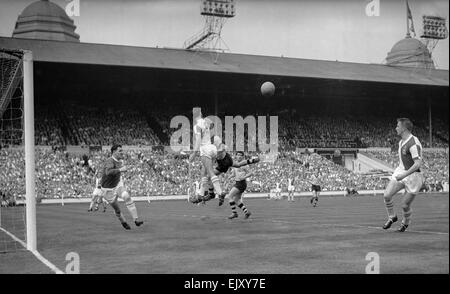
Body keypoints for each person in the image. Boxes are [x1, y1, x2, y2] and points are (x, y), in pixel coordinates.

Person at [382, 118, 424, 233]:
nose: (396, 128)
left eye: (397, 126)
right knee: (386, 195)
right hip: (401, 171)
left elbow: (417, 165)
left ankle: (405, 223)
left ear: (404, 128)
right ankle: (392, 217)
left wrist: (404, 174)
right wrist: (400, 173)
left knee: (405, 205)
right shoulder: (401, 141)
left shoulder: (413, 143)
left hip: (414, 176)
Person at [99, 144, 144, 230]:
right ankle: (123, 222)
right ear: (113, 152)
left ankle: (136, 220)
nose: (122, 152)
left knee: (126, 196)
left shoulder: (120, 161)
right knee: (117, 210)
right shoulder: (110, 160)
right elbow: (108, 172)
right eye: (120, 151)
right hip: (107, 190)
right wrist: (120, 170)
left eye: (122, 150)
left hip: (117, 185)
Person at [225, 151, 252, 220]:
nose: (239, 156)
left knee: (230, 196)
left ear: (243, 157)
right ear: (236, 156)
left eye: (240, 155)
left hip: (241, 183)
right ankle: (246, 212)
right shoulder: (235, 164)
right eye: (238, 155)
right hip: (238, 183)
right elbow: (233, 174)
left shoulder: (245, 164)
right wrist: (229, 176)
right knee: (236, 200)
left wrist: (244, 177)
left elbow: (250, 173)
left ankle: (234, 213)